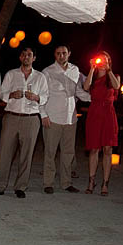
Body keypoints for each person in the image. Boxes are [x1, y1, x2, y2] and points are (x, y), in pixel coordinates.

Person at [0, 47, 48, 198]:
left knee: (26, 155)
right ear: (20, 57)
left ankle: (20, 187)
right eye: (24, 55)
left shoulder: (40, 77)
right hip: (12, 116)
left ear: (34, 58)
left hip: (31, 118)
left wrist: (37, 97)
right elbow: (2, 94)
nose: (26, 57)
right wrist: (11, 95)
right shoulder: (11, 74)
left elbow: (46, 96)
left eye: (30, 55)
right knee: (4, 152)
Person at [40, 45, 90, 194]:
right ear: (55, 55)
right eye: (58, 53)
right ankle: (48, 183)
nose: (61, 55)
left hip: (70, 118)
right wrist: (43, 114)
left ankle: (66, 182)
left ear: (69, 54)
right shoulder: (47, 72)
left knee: (68, 152)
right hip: (53, 117)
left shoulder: (75, 70)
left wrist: (96, 99)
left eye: (64, 53)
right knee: (50, 151)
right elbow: (42, 94)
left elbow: (79, 91)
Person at [83, 51, 120, 196]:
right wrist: (92, 68)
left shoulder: (113, 76)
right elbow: (86, 87)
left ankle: (105, 183)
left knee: (108, 149)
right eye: (100, 60)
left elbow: (116, 86)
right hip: (95, 112)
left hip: (108, 114)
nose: (102, 63)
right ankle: (91, 181)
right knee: (93, 149)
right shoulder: (93, 75)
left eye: (105, 60)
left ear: (109, 62)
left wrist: (108, 70)